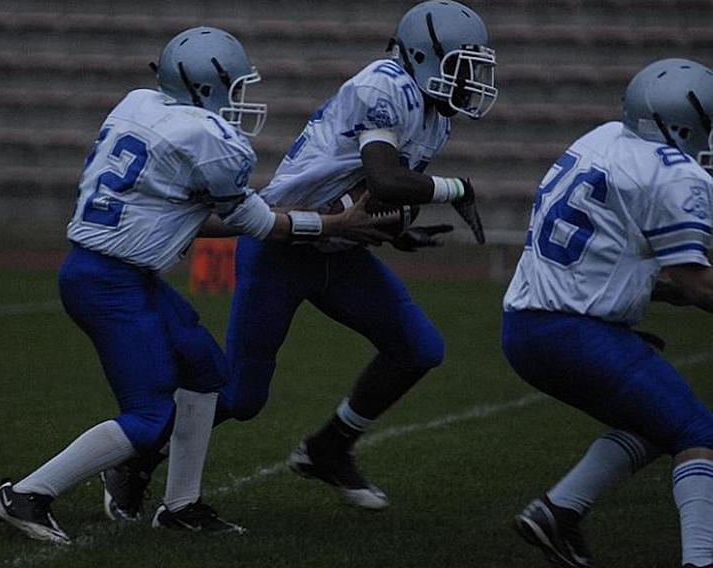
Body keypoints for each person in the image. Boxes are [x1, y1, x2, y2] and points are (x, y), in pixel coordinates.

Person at [0, 26, 396, 544]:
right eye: (236, 86)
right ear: (207, 87)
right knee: (149, 415)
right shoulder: (208, 138)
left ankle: (181, 506)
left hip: (117, 272)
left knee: (206, 370)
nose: (241, 99)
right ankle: (26, 494)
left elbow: (204, 210)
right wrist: (335, 224)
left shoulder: (139, 104)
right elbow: (258, 224)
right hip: (110, 283)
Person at [99, 0, 497, 517]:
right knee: (242, 396)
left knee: (418, 348)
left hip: (340, 247)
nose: (471, 80)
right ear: (424, 57)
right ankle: (133, 459)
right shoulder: (385, 85)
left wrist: (394, 228)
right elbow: (384, 178)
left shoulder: (431, 111)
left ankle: (328, 448)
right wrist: (457, 188)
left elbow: (376, 193)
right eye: (462, 66)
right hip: (283, 246)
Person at [502, 58, 713, 568]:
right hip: (574, 333)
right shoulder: (675, 174)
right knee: (699, 434)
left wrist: (655, 294)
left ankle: (557, 513)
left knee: (657, 418)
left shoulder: (600, 139)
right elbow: (695, 281)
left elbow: (606, 251)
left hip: (527, 326)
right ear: (680, 124)